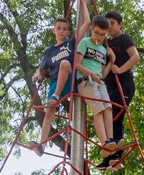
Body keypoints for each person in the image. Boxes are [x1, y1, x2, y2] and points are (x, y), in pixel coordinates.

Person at [24, 17, 75, 156]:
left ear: (69, 32)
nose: (61, 31)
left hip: (69, 77)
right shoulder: (50, 51)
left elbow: (85, 27)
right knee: (49, 113)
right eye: (58, 28)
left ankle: (57, 95)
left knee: (65, 64)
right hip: (55, 81)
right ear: (53, 30)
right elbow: (42, 67)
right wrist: (36, 75)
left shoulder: (71, 43)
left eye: (64, 29)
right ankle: (41, 146)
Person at [99, 10, 139, 170]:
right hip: (110, 86)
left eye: (113, 23)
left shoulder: (124, 39)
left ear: (120, 24)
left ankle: (116, 156)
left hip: (124, 82)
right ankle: (109, 154)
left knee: (116, 115)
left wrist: (120, 69)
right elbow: (103, 72)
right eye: (107, 24)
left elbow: (135, 57)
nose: (109, 27)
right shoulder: (105, 44)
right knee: (104, 117)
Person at [75, 15, 119, 162]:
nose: (99, 36)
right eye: (97, 33)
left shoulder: (102, 49)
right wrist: (90, 74)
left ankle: (110, 140)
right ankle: (104, 143)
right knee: (98, 110)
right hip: (86, 80)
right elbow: (76, 64)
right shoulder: (85, 42)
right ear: (92, 29)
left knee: (108, 108)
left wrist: (112, 60)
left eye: (103, 34)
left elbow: (104, 74)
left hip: (99, 81)